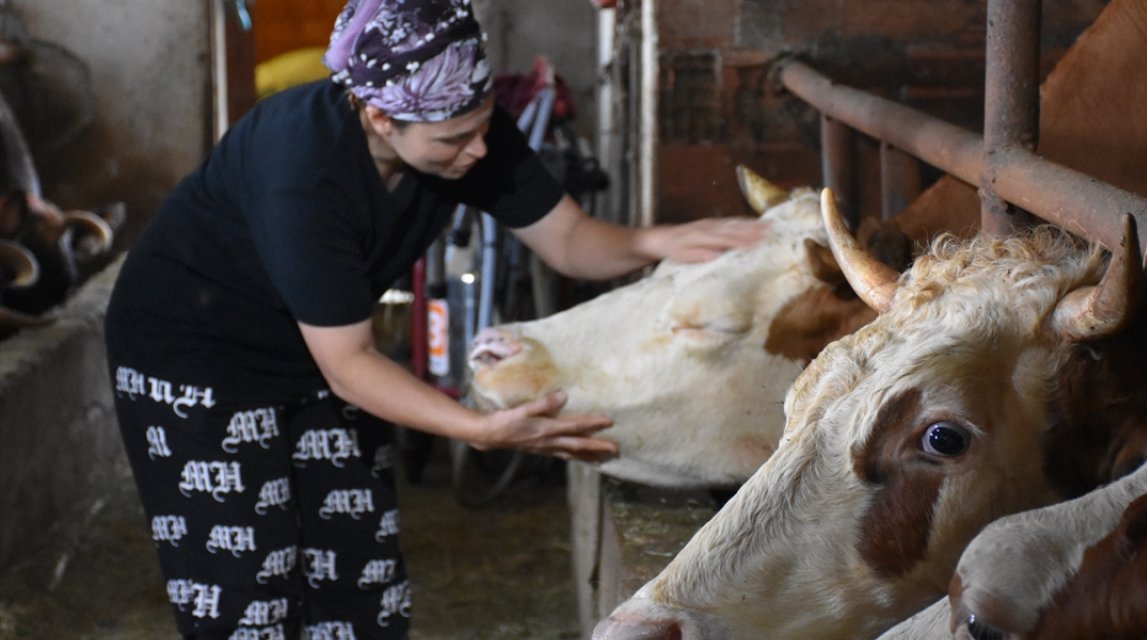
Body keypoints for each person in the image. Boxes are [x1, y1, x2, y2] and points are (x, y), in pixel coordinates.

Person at [104, 0, 765, 637]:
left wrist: (655, 242)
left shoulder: (462, 125)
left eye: (483, 125)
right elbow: (351, 366)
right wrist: (479, 427)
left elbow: (567, 239)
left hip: (318, 352)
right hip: (197, 355)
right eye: (455, 138)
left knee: (359, 575)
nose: (478, 150)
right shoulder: (300, 167)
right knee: (248, 583)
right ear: (379, 118)